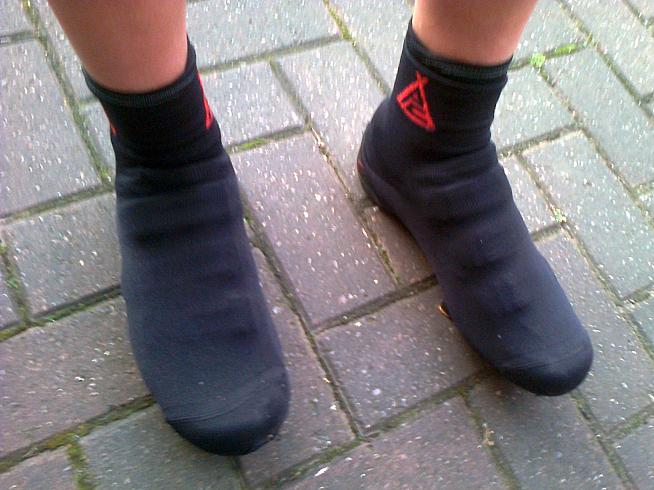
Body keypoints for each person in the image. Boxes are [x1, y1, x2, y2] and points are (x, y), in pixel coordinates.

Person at [47, 0, 593, 456]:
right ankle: (168, 162)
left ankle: (435, 144)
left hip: (436, 136)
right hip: (163, 156)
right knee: (164, 144)